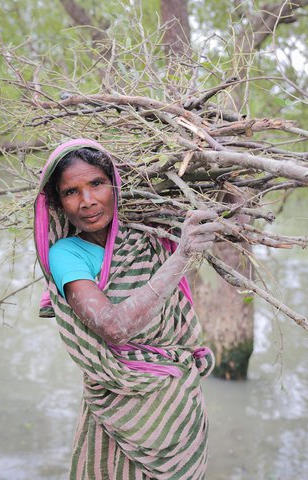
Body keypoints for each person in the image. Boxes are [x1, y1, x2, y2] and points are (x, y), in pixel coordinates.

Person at [34, 138, 222, 480]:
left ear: (115, 186)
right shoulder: (67, 254)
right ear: (58, 203)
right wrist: (181, 256)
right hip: (117, 407)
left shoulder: (151, 237)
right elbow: (114, 327)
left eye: (96, 184)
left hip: (177, 406)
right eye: (71, 192)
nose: (87, 201)